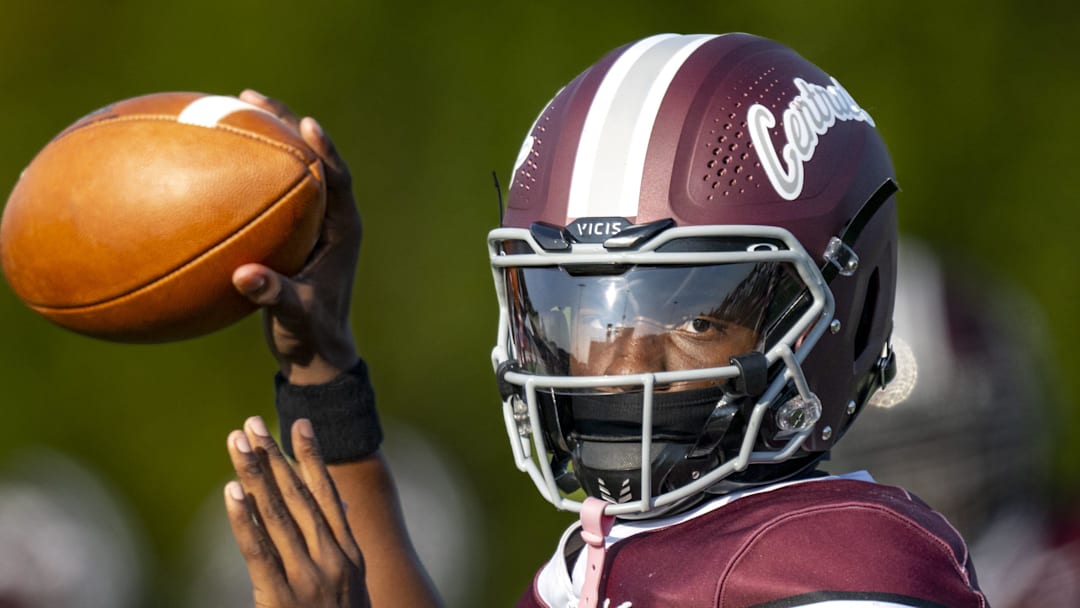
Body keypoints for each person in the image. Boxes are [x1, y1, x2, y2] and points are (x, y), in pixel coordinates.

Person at [222, 33, 990, 607]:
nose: (622, 366)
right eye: (590, 313)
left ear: (841, 314)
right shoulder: (610, 551)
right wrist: (324, 370)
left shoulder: (844, 572)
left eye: (694, 317)